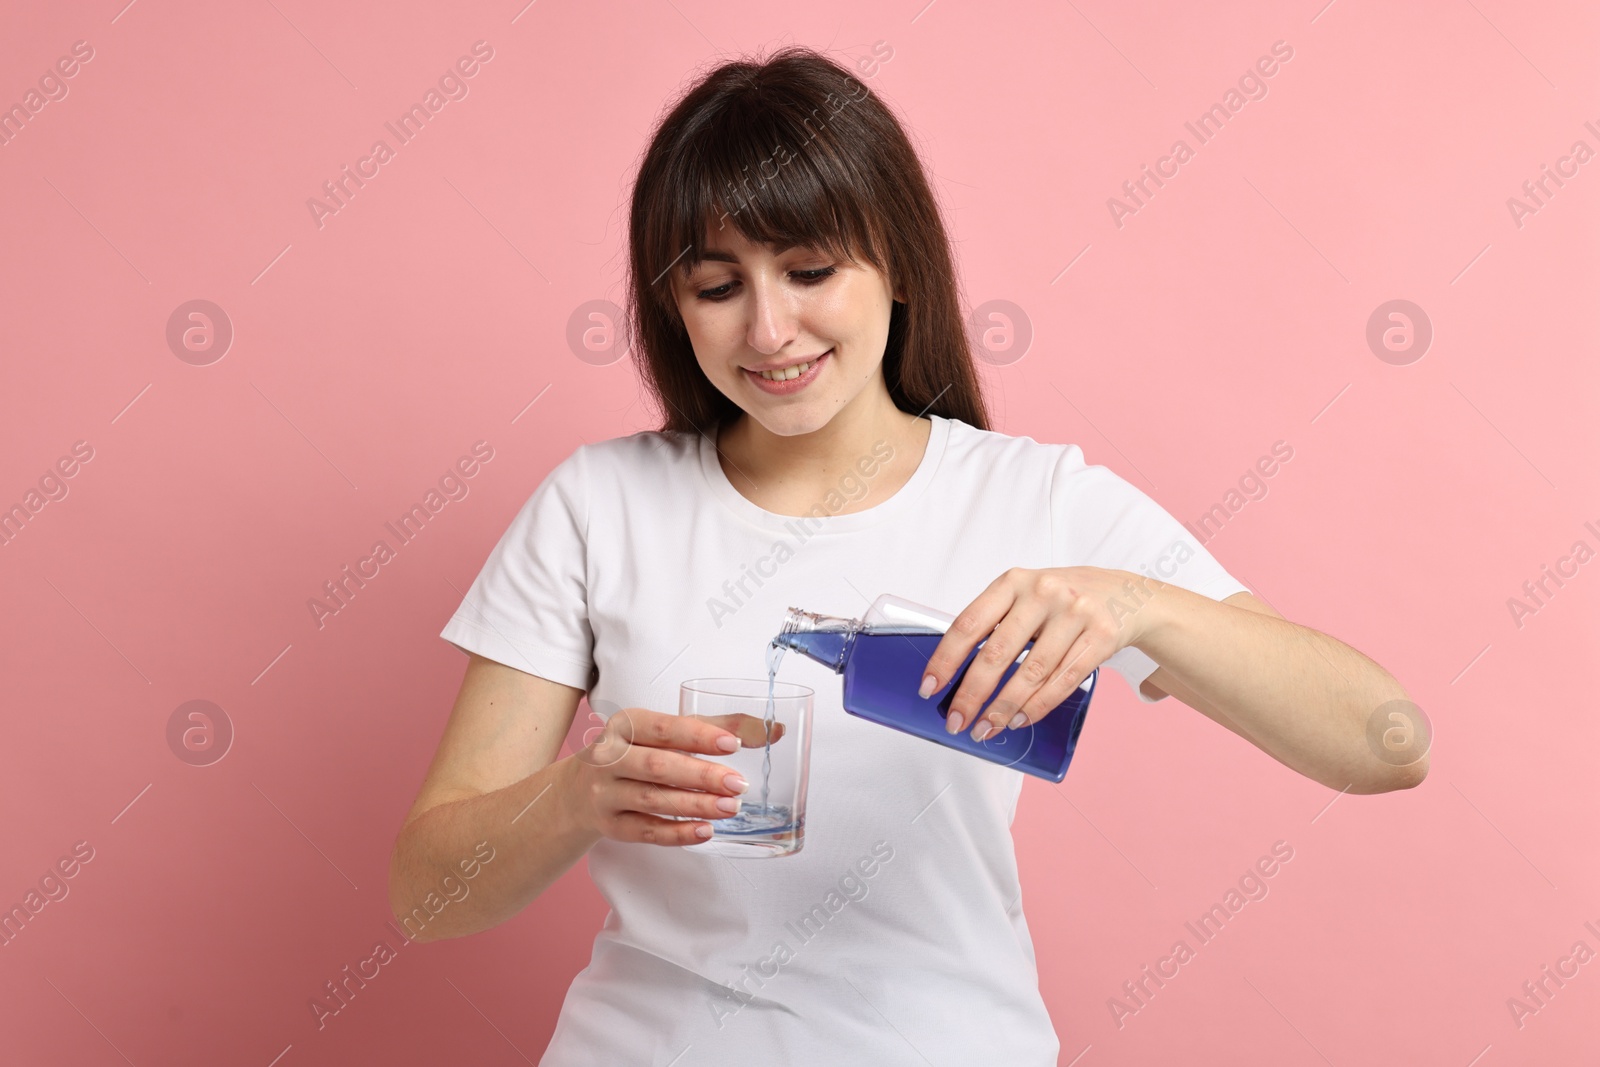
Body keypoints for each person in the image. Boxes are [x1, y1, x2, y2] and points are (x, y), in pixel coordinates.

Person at [387, 45, 1426, 1065]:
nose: (768, 328)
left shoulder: (1034, 500)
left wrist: (1138, 605)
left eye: (808, 271)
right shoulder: (597, 505)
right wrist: (579, 795)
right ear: (672, 305)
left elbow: (1387, 741)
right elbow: (425, 895)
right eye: (716, 286)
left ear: (897, 263)